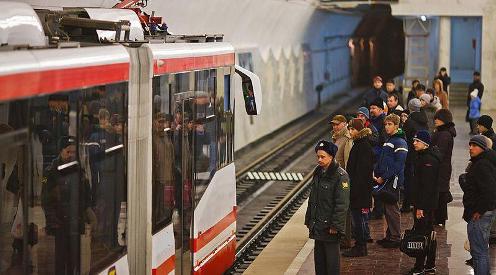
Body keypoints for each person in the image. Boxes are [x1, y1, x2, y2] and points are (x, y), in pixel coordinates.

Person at [42, 136, 93, 274]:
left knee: (73, 259)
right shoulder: (50, 171)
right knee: (60, 259)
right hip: (60, 222)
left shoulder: (78, 169)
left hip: (75, 221)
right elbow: (46, 199)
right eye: (68, 152)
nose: (71, 155)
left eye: (73, 152)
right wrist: (52, 221)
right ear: (61, 151)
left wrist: (86, 213)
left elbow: (85, 193)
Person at [305, 140, 350, 275]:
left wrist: (335, 226)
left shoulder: (341, 176)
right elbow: (313, 199)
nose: (319, 159)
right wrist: (309, 220)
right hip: (318, 225)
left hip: (330, 227)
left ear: (331, 157)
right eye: (318, 156)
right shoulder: (318, 172)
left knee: (331, 263)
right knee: (320, 262)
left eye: (322, 157)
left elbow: (342, 204)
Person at [460, 135, 496, 275]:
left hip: (479, 215)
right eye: (470, 145)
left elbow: (489, 191)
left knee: (479, 252)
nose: (470, 148)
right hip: (482, 213)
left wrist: (479, 210)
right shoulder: (483, 162)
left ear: (483, 148)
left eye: (474, 145)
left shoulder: (482, 165)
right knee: (481, 251)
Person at [374, 114, 408, 248]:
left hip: (393, 180)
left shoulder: (400, 142)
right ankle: (390, 235)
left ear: (396, 125)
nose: (387, 127)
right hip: (386, 179)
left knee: (392, 208)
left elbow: (398, 164)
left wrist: (384, 176)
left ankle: (395, 237)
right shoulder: (390, 140)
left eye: (390, 124)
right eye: (386, 124)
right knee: (387, 208)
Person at [409, 130, 441, 275]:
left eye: (417, 141)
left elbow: (427, 187)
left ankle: (420, 266)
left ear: (425, 143)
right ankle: (429, 265)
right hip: (426, 203)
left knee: (422, 234)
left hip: (425, 205)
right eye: (414, 141)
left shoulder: (428, 160)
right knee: (428, 234)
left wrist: (420, 207)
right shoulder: (424, 156)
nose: (414, 143)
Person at [342, 119, 373, 257]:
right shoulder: (360, 144)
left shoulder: (363, 146)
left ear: (358, 130)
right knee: (358, 219)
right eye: (350, 129)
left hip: (360, 191)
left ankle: (360, 247)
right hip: (359, 190)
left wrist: (353, 191)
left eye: (352, 129)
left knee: (359, 219)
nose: (350, 132)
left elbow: (361, 172)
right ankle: (360, 246)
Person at [401, 98, 428, 213]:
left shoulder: (409, 122)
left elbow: (404, 137)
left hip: (411, 155)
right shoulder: (424, 121)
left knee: (409, 180)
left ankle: (407, 205)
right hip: (422, 155)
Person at [432, 109, 456, 226]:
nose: (435, 120)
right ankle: (440, 217)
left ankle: (439, 218)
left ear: (444, 120)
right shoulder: (442, 132)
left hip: (441, 168)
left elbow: (439, 152)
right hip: (443, 167)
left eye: (438, 118)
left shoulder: (444, 134)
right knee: (441, 192)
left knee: (440, 193)